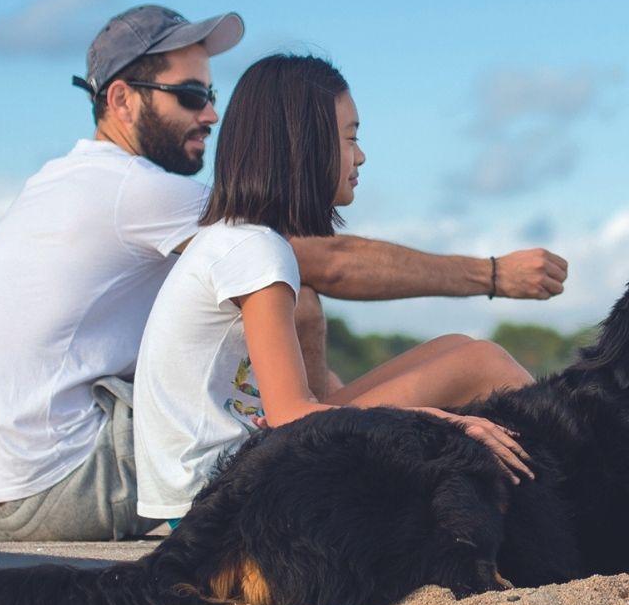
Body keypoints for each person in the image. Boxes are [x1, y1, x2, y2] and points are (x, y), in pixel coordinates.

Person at [0, 4, 567, 542]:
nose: (209, 115)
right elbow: (329, 260)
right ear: (121, 100)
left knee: (438, 351)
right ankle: (576, 490)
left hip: (8, 479)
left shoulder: (69, 183)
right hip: (61, 480)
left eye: (212, 96)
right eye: (189, 95)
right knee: (459, 365)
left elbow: (296, 297)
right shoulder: (141, 194)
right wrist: (491, 276)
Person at [133, 54, 533, 526]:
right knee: (480, 364)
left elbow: (292, 411)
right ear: (305, 147)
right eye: (351, 137)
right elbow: (289, 417)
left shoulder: (235, 239)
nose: (360, 155)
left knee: (457, 348)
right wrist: (445, 421)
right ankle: (581, 484)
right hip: (222, 506)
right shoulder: (255, 251)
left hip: (221, 488)